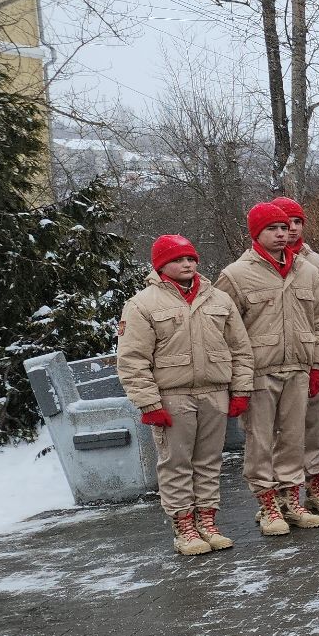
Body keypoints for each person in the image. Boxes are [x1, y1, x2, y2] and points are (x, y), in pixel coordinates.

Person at [119, 235, 255, 556]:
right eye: (179, 259)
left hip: (214, 392)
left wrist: (241, 389)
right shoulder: (142, 304)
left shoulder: (219, 300)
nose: (187, 264)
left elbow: (240, 349)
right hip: (172, 395)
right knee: (177, 462)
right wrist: (149, 403)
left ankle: (207, 520)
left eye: (191, 258)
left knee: (209, 461)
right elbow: (132, 359)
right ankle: (184, 525)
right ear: (161, 265)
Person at [216, 202, 319, 535]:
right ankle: (267, 505)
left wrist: (315, 364)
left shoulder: (307, 271)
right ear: (256, 234)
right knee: (261, 440)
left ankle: (292, 499)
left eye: (285, 228)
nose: (282, 234)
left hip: (297, 367)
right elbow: (224, 329)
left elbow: (318, 320)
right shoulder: (235, 275)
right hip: (258, 373)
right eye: (273, 229)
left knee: (293, 438)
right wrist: (236, 379)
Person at [272, 196, 319, 514]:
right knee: (279, 431)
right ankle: (280, 493)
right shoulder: (259, 266)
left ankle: (314, 484)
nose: (291, 229)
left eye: (297, 222)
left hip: (312, 357)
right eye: (284, 224)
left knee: (313, 424)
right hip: (273, 362)